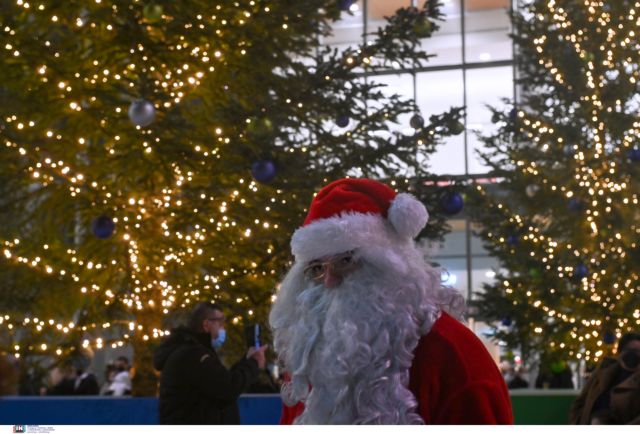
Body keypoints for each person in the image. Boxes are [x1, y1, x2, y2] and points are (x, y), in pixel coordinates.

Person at [269, 178, 514, 424]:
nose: (330, 281)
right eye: (316, 269)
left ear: (392, 265)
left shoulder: (453, 354)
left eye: (345, 261)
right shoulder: (308, 358)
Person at [153, 302, 267, 424]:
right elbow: (227, 387)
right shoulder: (193, 355)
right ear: (206, 324)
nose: (223, 328)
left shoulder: (193, 351)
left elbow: (220, 380)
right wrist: (253, 364)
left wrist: (247, 360)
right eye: (220, 322)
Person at [569, 332, 640, 424]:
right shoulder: (604, 370)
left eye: (638, 351)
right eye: (629, 350)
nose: (634, 354)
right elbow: (581, 401)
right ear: (620, 352)